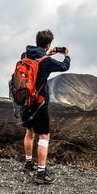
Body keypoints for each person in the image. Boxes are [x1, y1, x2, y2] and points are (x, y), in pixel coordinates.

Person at [20, 29, 71, 184]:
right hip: (40, 103)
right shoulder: (47, 62)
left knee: (29, 132)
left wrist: (46, 54)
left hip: (25, 101)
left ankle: (28, 163)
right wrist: (66, 55)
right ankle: (41, 172)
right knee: (43, 136)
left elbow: (36, 62)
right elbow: (64, 67)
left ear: (37, 41)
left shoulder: (25, 55)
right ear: (49, 44)